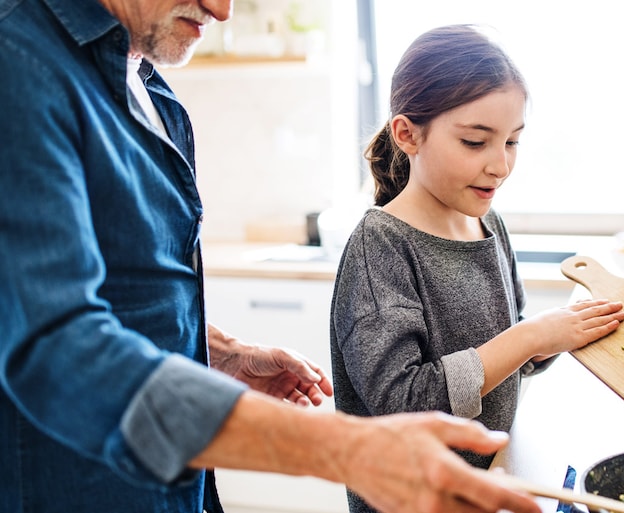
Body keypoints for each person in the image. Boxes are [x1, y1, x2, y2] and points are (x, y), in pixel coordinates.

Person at [0, 1, 543, 513]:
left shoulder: (142, 78)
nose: (222, 10)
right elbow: (58, 347)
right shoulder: (17, 65)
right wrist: (341, 447)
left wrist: (213, 352)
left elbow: (109, 296)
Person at [330, 25, 624, 513]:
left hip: (485, 486)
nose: (501, 165)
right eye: (475, 141)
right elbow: (403, 403)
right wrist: (530, 338)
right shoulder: (379, 245)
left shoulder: (489, 226)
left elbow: (508, 355)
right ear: (408, 134)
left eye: (512, 142)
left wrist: (557, 333)